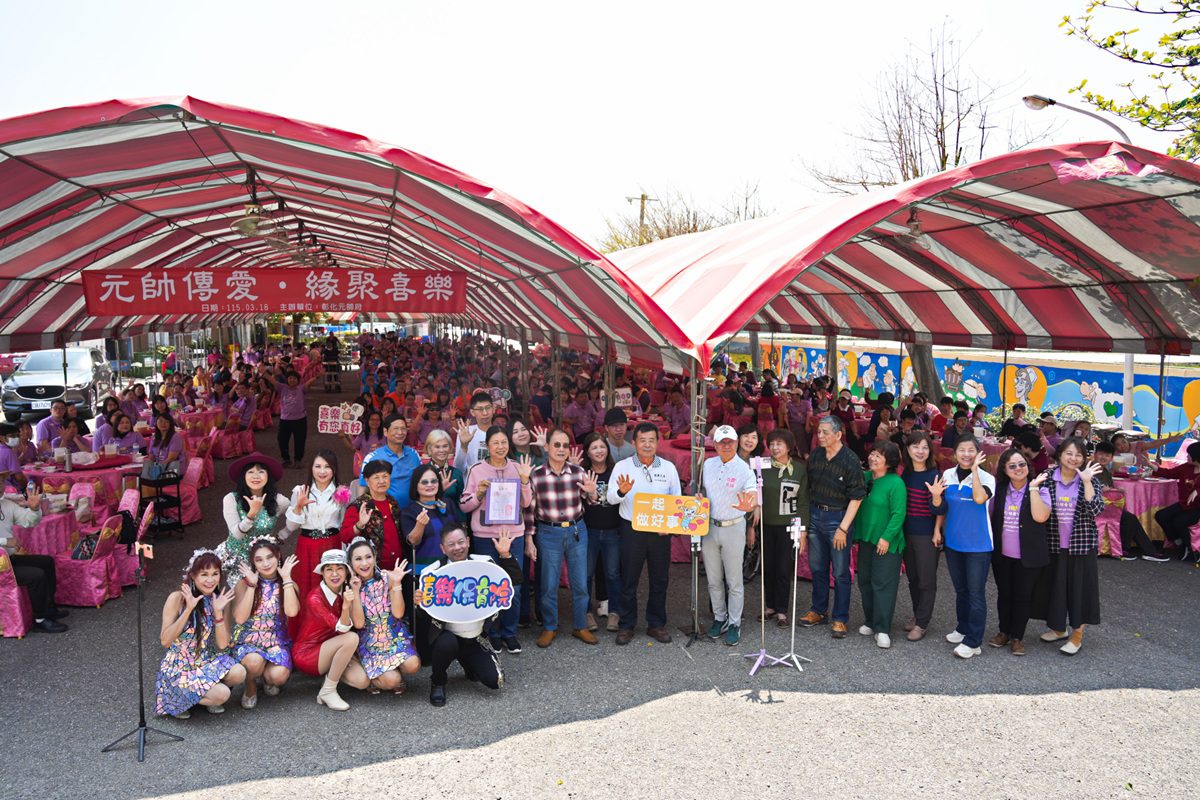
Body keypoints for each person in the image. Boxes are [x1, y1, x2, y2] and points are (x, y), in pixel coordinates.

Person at [424, 527, 523, 707]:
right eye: (451, 544)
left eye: (461, 542)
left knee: (495, 682)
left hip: (476, 636)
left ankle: (468, 662)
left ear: (469, 542)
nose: (457, 547)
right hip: (447, 636)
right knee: (447, 644)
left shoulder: (485, 563)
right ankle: (438, 681)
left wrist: (505, 554)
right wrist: (420, 602)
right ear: (442, 548)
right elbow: (424, 615)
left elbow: (515, 579)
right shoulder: (433, 573)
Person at [460, 426, 534, 653]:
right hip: (485, 536)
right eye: (495, 443)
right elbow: (464, 505)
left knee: (514, 586)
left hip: (513, 535)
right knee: (488, 586)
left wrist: (524, 480)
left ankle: (509, 633)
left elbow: (526, 503)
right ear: (488, 446)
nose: (500, 447)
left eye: (504, 442)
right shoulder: (476, 470)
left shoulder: (517, 467)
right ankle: (492, 633)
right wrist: (479, 494)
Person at [608, 421, 681, 645]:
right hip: (632, 530)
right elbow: (610, 498)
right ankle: (626, 625)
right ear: (634, 443)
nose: (647, 445)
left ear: (658, 442)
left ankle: (656, 624)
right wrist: (622, 491)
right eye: (642, 440)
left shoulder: (668, 468)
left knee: (660, 579)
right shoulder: (622, 467)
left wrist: (670, 526)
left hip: (660, 531)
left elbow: (677, 500)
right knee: (629, 579)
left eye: (651, 440)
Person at [528, 427, 601, 648]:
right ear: (547, 447)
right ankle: (550, 626)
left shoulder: (578, 472)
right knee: (548, 584)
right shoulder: (536, 475)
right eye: (556, 445)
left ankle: (580, 626)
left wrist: (592, 492)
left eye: (565, 445)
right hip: (548, 532)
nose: (561, 449)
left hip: (577, 530)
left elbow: (592, 501)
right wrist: (529, 539)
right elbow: (529, 510)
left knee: (580, 583)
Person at [154, 549, 245, 718]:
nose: (210, 580)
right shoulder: (177, 598)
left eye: (215, 574)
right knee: (222, 694)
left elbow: (222, 644)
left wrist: (218, 612)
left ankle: (198, 695)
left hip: (204, 661)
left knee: (239, 672)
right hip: (180, 667)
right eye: (204, 574)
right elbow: (165, 641)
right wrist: (188, 609)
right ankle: (178, 699)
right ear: (193, 576)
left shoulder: (220, 601)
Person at [1035, 438, 1105, 655]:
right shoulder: (1048, 478)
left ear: (1084, 459)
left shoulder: (1090, 479)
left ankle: (1077, 636)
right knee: (1055, 589)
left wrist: (1086, 482)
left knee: (1079, 591)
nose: (1073, 458)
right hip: (1054, 544)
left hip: (1081, 545)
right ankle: (1058, 629)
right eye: (1069, 453)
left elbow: (1095, 510)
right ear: (1060, 455)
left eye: (1078, 455)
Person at [800, 416, 867, 639]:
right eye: (819, 432)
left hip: (838, 517)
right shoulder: (816, 455)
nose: (820, 436)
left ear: (838, 435)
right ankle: (819, 610)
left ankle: (840, 617)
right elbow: (807, 488)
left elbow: (857, 497)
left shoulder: (850, 460)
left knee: (840, 572)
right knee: (817, 567)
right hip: (815, 514)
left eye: (825, 432)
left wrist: (843, 528)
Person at [931, 435, 995, 659]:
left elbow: (979, 499)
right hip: (953, 542)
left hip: (978, 545)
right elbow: (942, 507)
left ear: (978, 453)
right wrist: (937, 525)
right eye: (962, 450)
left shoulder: (987, 477)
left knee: (975, 593)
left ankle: (974, 641)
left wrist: (975, 472)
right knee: (961, 590)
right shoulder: (947, 474)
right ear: (955, 453)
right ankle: (963, 627)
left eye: (971, 450)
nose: (966, 454)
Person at [987, 448, 1051, 657]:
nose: (1018, 469)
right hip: (1002, 555)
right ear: (1004, 470)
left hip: (1028, 556)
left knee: (1023, 596)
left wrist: (1032, 489)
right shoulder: (999, 490)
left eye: (1022, 464)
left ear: (1028, 466)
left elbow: (1041, 517)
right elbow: (989, 515)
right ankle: (1003, 632)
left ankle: (1017, 637)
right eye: (1012, 465)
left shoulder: (1040, 489)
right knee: (1004, 594)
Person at [699, 425, 759, 646]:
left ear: (736, 443)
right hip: (709, 526)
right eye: (721, 442)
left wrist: (749, 503)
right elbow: (700, 489)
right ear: (715, 445)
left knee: (734, 580)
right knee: (713, 579)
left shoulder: (744, 469)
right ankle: (719, 617)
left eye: (730, 442)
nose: (726, 446)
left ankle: (734, 622)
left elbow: (752, 492)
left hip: (734, 527)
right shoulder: (707, 464)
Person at [285, 450, 350, 638]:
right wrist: (299, 506)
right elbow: (291, 526)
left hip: (332, 544)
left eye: (327, 467)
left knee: (333, 587)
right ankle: (305, 636)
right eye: (318, 466)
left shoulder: (341, 492)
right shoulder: (300, 491)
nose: (322, 471)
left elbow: (344, 524)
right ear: (311, 468)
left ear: (334, 469)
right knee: (305, 588)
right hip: (307, 546)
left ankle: (333, 635)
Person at [291, 549, 365, 711]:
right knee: (351, 638)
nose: (335, 574)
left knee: (362, 681)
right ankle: (328, 691)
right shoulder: (315, 598)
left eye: (340, 568)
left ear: (346, 571)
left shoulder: (345, 590)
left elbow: (358, 623)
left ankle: (331, 677)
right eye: (329, 569)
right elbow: (343, 630)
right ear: (322, 573)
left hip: (333, 648)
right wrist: (345, 607)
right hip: (307, 654)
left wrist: (355, 592)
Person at [231, 538, 300, 708]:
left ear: (278, 556)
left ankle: (266, 678)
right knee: (254, 662)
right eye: (259, 560)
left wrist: (287, 578)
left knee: (279, 676)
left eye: (270, 557)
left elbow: (292, 612)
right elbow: (240, 618)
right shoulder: (243, 584)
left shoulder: (288, 583)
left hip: (276, 641)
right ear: (253, 563)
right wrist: (252, 586)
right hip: (249, 640)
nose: (266, 563)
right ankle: (250, 685)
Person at [346, 537, 420, 694]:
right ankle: (375, 678)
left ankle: (390, 671)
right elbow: (359, 624)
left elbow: (398, 613)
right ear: (351, 563)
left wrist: (397, 583)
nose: (364, 563)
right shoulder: (350, 587)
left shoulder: (388, 577)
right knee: (392, 680)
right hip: (371, 642)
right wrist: (356, 592)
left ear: (374, 557)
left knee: (413, 665)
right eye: (358, 559)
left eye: (368, 557)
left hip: (394, 636)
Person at [854, 441, 907, 649]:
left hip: (886, 541)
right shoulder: (865, 478)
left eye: (878, 455)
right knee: (865, 580)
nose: (873, 458)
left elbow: (898, 514)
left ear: (890, 461)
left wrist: (886, 537)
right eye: (872, 454)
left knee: (883, 583)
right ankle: (870, 621)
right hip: (866, 538)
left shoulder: (896, 483)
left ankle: (883, 628)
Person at [0, 485, 68, 632]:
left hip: (8, 560)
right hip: (1, 566)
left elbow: (29, 521)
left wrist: (35, 509)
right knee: (36, 576)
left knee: (46, 562)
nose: (1, 486)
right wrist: (4, 541)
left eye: (1, 481)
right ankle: (40, 619)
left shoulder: (6, 504)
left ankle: (49, 608)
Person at [759, 429, 808, 628]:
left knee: (784, 568)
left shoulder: (799, 469)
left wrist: (802, 530)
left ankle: (781, 610)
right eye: (771, 444)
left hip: (788, 526)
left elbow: (803, 502)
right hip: (765, 524)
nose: (774, 447)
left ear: (789, 447)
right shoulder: (761, 466)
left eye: (779, 444)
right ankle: (769, 605)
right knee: (767, 567)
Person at [1091, 442, 1168, 561]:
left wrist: (1116, 490)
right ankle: (1137, 550)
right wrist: (1106, 489)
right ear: (1095, 454)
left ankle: (1132, 550)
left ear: (1111, 458)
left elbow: (1108, 490)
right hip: (1093, 508)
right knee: (1129, 518)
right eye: (1101, 454)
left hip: (1106, 506)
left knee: (1129, 517)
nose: (1103, 457)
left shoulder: (1105, 471)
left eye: (1107, 455)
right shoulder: (1090, 469)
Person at [899, 431, 941, 641]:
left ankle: (922, 623)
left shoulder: (935, 475)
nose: (920, 451)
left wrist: (937, 531)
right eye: (915, 447)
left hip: (927, 534)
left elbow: (941, 508)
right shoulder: (905, 474)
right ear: (908, 449)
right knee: (913, 578)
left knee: (926, 580)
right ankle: (917, 615)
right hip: (907, 532)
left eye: (925, 447)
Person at [220, 454, 291, 576]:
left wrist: (282, 536)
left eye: (261, 472)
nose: (256, 476)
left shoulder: (279, 500)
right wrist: (251, 515)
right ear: (243, 476)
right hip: (238, 561)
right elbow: (237, 534)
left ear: (268, 476)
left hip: (265, 560)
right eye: (250, 472)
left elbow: (297, 516)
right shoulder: (231, 499)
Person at [581, 432, 622, 632]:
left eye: (602, 446)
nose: (599, 451)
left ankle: (614, 612)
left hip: (613, 531)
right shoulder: (582, 472)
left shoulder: (616, 471)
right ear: (588, 452)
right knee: (587, 574)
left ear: (608, 449)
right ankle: (586, 612)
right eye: (594, 447)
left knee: (613, 573)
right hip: (589, 531)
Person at [341, 459, 407, 570]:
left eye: (385, 476)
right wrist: (359, 525)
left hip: (398, 567)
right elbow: (344, 536)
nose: (382, 481)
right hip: (371, 570)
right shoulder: (359, 506)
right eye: (376, 477)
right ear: (367, 481)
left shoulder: (393, 502)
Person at [1151, 441, 1200, 557]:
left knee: (1179, 521)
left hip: (1197, 508)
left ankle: (1191, 549)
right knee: (1161, 516)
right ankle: (1179, 542)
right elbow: (1169, 473)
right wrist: (1151, 465)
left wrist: (1197, 491)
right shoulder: (1186, 467)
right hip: (1184, 504)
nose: (1187, 456)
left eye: (1189, 455)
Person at [360, 414, 422, 505]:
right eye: (396, 429)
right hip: (385, 511)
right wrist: (360, 508)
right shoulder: (373, 457)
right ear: (385, 432)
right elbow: (363, 487)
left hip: (412, 510)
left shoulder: (414, 454)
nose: (400, 432)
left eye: (403, 429)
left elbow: (421, 481)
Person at [276, 369, 319, 468]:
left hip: (300, 419)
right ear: (287, 379)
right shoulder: (282, 388)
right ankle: (286, 459)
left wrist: (317, 377)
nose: (292, 380)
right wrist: (264, 373)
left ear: (298, 380)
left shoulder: (301, 388)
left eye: (294, 378)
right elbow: (273, 381)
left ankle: (298, 460)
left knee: (300, 440)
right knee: (282, 440)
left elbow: (308, 383)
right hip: (285, 420)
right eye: (290, 378)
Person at [453, 391, 496, 473]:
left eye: (487, 408)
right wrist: (464, 446)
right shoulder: (465, 432)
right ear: (472, 412)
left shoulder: (500, 433)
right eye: (480, 409)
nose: (485, 413)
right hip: (472, 480)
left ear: (493, 409)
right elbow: (459, 469)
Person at [424, 429, 464, 513]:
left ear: (450, 448)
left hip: (452, 518)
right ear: (429, 449)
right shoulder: (421, 473)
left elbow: (460, 503)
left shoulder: (457, 474)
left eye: (445, 446)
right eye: (437, 447)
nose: (442, 450)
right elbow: (418, 501)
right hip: (429, 518)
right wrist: (440, 490)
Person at [143, 413, 184, 479]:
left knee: (151, 476)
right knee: (146, 466)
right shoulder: (154, 437)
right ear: (156, 423)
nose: (163, 424)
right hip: (159, 467)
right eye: (160, 421)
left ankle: (151, 480)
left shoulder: (175, 437)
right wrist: (149, 465)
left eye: (166, 422)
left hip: (172, 469)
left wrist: (157, 468)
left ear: (170, 424)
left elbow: (171, 458)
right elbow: (151, 456)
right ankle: (146, 481)